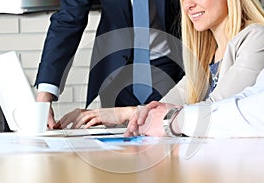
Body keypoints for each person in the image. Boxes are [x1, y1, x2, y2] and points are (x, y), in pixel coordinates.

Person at [54, 0, 264, 130]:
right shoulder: (205, 56)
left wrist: (126, 113)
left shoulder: (257, 38)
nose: (189, 5)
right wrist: (107, 114)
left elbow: (218, 111)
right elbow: (162, 107)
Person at [34, 0, 185, 129]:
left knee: (170, 133)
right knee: (119, 149)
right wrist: (44, 96)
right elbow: (69, 18)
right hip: (116, 70)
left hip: (169, 64)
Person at [125, 25, 264, 138]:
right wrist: (130, 114)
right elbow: (254, 94)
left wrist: (178, 119)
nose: (189, 4)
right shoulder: (207, 53)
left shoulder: (257, 38)